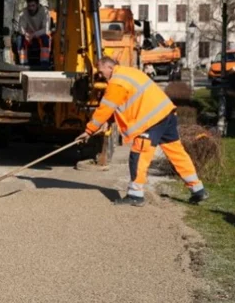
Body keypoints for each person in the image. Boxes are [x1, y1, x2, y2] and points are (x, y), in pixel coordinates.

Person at [76, 56, 210, 207]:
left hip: (150, 121)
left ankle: (135, 195)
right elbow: (125, 103)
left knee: (139, 155)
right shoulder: (131, 73)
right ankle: (197, 189)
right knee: (177, 153)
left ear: (110, 67)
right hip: (166, 114)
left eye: (101, 71)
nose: (100, 75)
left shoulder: (117, 82)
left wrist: (89, 130)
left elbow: (105, 108)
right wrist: (109, 121)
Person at [17, 0, 51, 67]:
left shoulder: (44, 12)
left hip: (40, 35)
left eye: (33, 5)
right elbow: (21, 27)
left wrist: (34, 34)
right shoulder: (24, 13)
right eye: (29, 6)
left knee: (46, 39)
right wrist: (25, 34)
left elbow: (46, 29)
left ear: (38, 5)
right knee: (19, 39)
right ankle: (23, 63)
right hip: (28, 36)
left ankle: (44, 64)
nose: (31, 8)